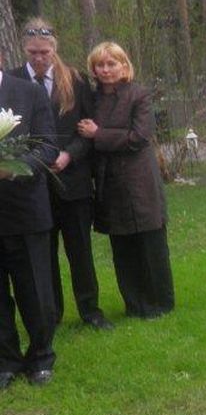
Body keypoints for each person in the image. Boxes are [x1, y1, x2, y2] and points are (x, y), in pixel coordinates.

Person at [16, 19, 110, 330]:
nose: (39, 58)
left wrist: (69, 154)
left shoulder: (75, 80)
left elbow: (88, 130)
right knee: (44, 256)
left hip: (73, 183)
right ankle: (51, 314)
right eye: (33, 52)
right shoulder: (14, 82)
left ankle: (90, 310)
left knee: (80, 251)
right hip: (33, 186)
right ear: (24, 49)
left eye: (44, 52)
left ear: (54, 49)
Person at [77, 41, 174, 319]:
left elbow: (139, 137)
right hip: (109, 181)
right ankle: (133, 304)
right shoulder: (92, 99)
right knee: (122, 246)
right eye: (100, 65)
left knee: (150, 243)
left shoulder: (138, 95)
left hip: (139, 179)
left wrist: (99, 134)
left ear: (124, 65)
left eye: (111, 63)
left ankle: (160, 303)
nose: (106, 70)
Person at [0, 59, 58, 388]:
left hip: (24, 209)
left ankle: (40, 357)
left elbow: (47, 146)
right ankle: (6, 361)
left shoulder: (30, 93)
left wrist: (12, 169)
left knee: (35, 290)